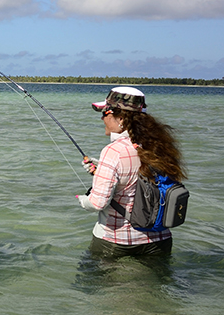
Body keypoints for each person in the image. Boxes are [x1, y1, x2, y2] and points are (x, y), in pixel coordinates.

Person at [76, 86, 186, 257]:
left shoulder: (113, 151)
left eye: (105, 113)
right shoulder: (161, 146)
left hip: (117, 242)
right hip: (160, 240)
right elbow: (140, 180)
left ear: (121, 118)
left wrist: (83, 200)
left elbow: (98, 203)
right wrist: (101, 170)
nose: (101, 118)